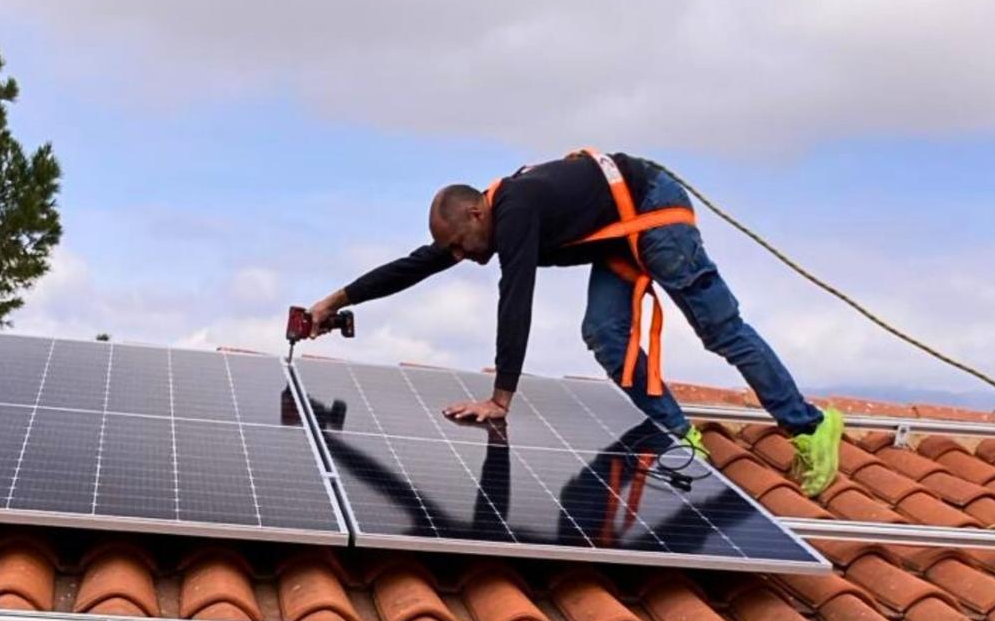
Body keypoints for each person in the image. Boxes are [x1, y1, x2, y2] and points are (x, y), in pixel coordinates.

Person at [306, 149, 843, 497]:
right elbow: (415, 265)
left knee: (719, 330)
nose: (463, 257)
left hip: (651, 210)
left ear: (475, 215)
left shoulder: (513, 209)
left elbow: (515, 295)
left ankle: (811, 427)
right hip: (617, 234)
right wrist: (335, 300)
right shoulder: (490, 220)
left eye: (461, 245)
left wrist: (501, 398)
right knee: (604, 333)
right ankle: (682, 435)